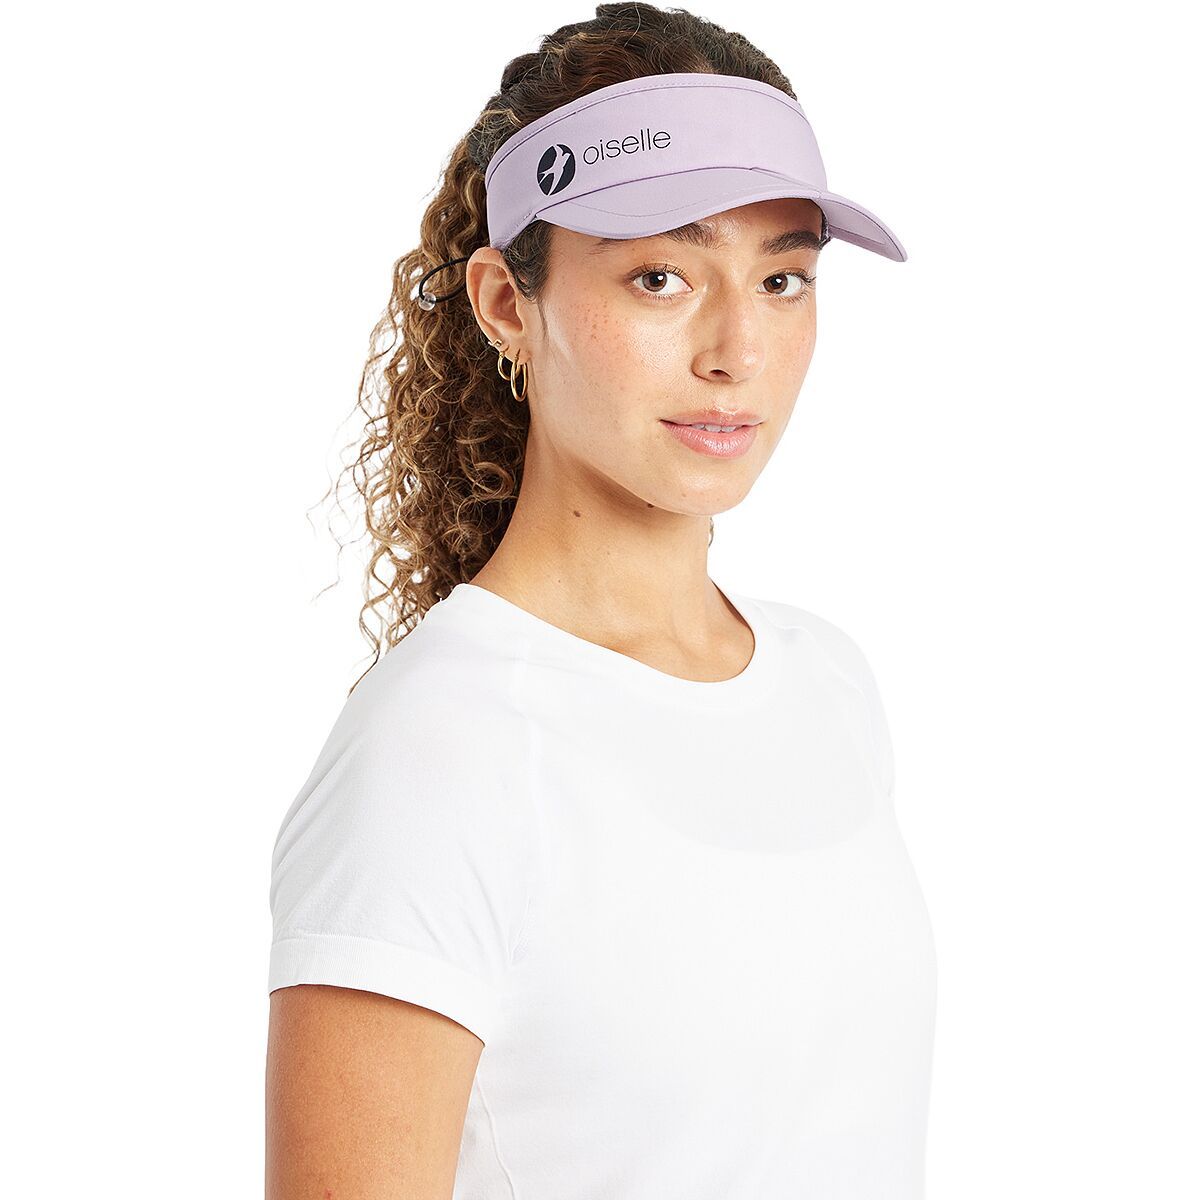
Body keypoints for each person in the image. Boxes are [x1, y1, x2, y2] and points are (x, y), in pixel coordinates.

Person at [264, 5, 938, 1198]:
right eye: (660, 277)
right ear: (505, 303)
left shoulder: (827, 679)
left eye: (783, 278)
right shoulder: (436, 752)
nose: (737, 350)